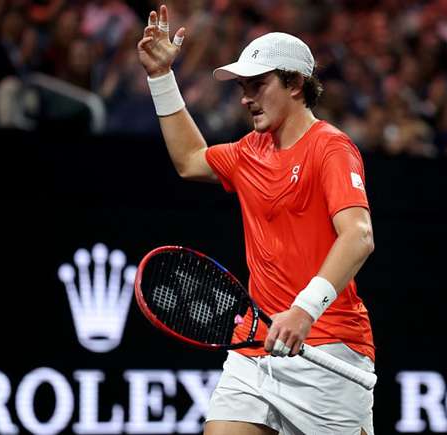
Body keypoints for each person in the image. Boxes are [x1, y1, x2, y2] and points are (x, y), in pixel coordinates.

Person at [137, 5, 376, 434]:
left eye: (258, 85)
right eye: (243, 87)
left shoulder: (331, 148)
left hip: (329, 350)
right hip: (255, 349)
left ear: (296, 84)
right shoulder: (249, 151)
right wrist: (160, 77)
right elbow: (191, 160)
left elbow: (358, 236)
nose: (246, 97)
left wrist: (303, 311)